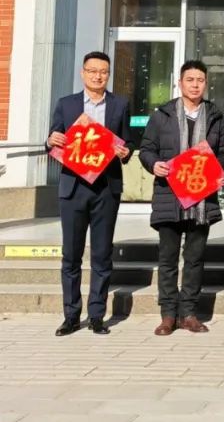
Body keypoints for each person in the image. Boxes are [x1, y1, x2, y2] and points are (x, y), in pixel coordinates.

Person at [139, 59, 224, 336]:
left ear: (206, 83)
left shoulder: (215, 115)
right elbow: (146, 148)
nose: (195, 84)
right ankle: (168, 314)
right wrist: (153, 164)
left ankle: (189, 313)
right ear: (180, 83)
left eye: (200, 80)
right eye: (189, 79)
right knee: (167, 259)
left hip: (202, 199)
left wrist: (223, 170)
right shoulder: (162, 115)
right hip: (169, 196)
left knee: (195, 258)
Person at [47, 51, 133, 336]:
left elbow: (127, 144)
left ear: (108, 75)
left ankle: (97, 315)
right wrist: (51, 140)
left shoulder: (120, 105)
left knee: (101, 254)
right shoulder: (66, 104)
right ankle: (71, 316)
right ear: (83, 73)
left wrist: (125, 152)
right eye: (93, 71)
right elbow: (53, 140)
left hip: (106, 188)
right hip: (73, 188)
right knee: (71, 255)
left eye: (104, 72)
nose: (98, 76)